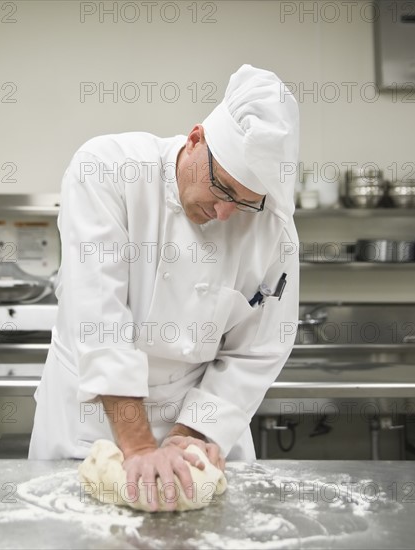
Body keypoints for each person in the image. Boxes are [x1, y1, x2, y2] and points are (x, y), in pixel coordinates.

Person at [29, 64, 300, 511]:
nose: (226, 212)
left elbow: (259, 349)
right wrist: (136, 447)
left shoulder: (273, 230)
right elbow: (98, 316)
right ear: (195, 139)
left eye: (245, 203)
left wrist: (191, 434)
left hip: (200, 431)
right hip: (93, 423)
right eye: (221, 188)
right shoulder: (108, 169)